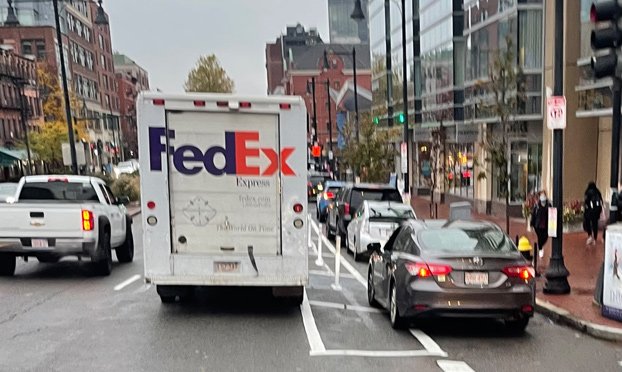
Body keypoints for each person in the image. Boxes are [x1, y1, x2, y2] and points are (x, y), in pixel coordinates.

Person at [530, 191, 551, 259]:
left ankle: (541, 246)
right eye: (541, 195)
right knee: (540, 237)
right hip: (538, 225)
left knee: (545, 237)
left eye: (544, 195)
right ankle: (540, 249)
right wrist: (532, 224)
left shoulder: (549, 205)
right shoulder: (537, 206)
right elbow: (534, 215)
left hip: (546, 225)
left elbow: (552, 213)